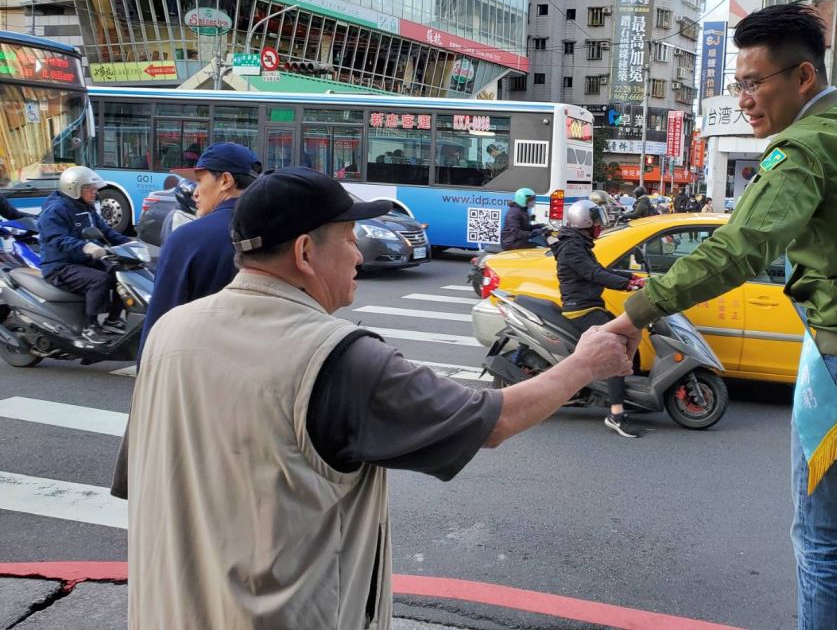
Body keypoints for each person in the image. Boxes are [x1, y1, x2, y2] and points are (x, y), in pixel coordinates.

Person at [123, 168, 631, 629]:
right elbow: (492, 421)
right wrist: (584, 365)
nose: (359, 254)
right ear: (304, 252)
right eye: (349, 239)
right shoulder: (335, 358)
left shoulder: (170, 331)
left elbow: (142, 477)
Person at [600, 3, 837, 628]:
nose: (743, 98)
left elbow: (740, 248)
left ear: (802, 78)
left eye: (752, 82)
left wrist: (635, 311)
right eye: (737, 84)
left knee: (825, 544)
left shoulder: (804, 148)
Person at [138, 143, 260, 360]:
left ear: (225, 181)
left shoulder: (188, 239)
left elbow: (160, 322)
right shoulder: (281, 234)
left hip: (197, 371)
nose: (195, 192)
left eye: (200, 180)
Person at [551, 199, 645, 438]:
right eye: (595, 221)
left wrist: (632, 277)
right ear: (584, 222)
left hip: (591, 305)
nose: (599, 225)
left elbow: (601, 269)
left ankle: (623, 376)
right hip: (580, 309)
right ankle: (616, 413)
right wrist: (626, 284)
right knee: (615, 346)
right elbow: (593, 274)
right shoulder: (572, 248)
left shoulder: (579, 244)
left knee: (631, 327)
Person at [38, 166, 130, 343]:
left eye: (95, 189)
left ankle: (112, 320)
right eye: (90, 189)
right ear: (73, 189)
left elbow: (105, 232)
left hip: (83, 261)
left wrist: (129, 243)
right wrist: (85, 247)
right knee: (100, 280)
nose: (94, 192)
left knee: (121, 272)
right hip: (59, 266)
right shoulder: (55, 210)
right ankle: (91, 327)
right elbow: (56, 239)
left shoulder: (87, 207)